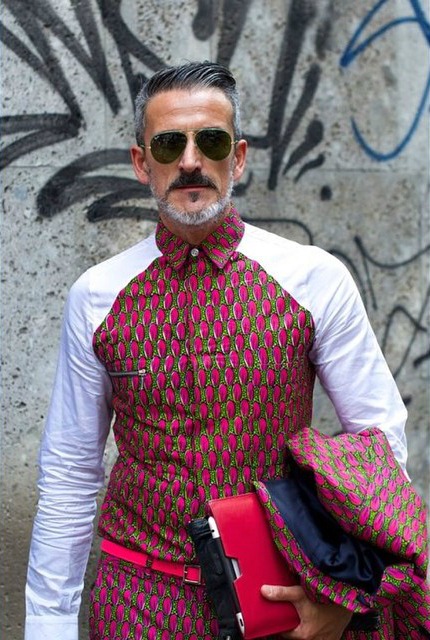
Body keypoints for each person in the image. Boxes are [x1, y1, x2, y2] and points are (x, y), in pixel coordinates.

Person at [25, 61, 410, 640]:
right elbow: (70, 473)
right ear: (142, 163)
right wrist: (48, 625)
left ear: (239, 157)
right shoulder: (97, 296)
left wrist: (349, 598)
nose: (190, 161)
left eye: (211, 141)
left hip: (276, 599)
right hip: (136, 602)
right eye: (168, 144)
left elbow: (380, 448)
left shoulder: (313, 279)